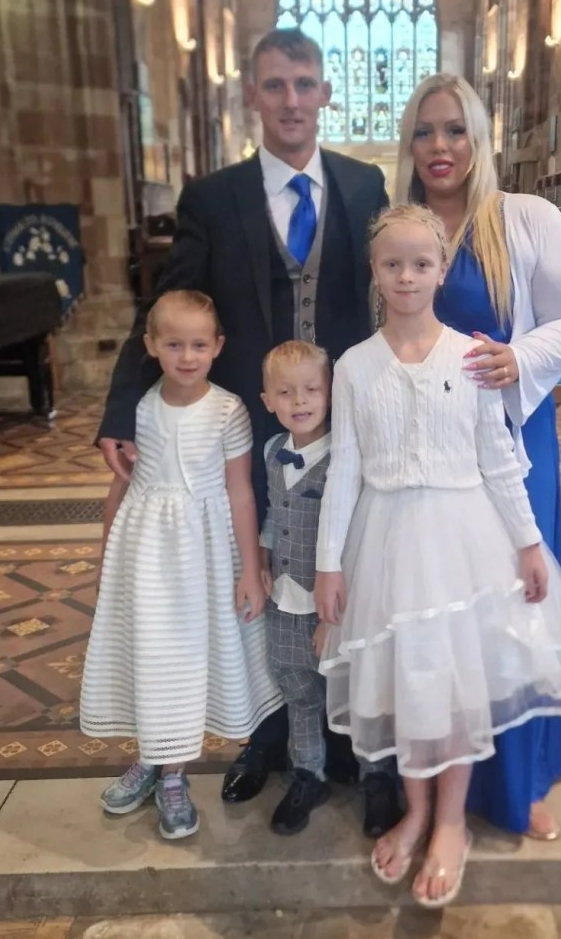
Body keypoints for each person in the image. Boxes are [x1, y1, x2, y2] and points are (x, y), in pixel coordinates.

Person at [95, 28, 398, 826]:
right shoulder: (213, 196)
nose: (291, 99)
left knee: (338, 575)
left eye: (303, 83)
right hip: (254, 434)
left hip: (344, 430)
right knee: (256, 583)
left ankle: (343, 737)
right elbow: (164, 307)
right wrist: (121, 408)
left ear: (324, 91)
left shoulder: (365, 185)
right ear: (252, 96)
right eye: (274, 85)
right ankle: (267, 733)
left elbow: (390, 296)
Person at [314, 204, 561, 907]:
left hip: (463, 541)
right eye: (391, 263)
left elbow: (500, 461)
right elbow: (343, 469)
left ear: (441, 270)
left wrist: (529, 543)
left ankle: (448, 823)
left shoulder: (470, 356)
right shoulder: (351, 366)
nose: (406, 275)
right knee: (410, 687)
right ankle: (413, 809)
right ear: (373, 273)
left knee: (458, 687)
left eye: (420, 262)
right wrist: (328, 563)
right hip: (384, 543)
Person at [394, 73, 561, 839]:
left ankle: (521, 779)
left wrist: (519, 356)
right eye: (424, 132)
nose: (440, 147)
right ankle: (428, 787)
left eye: (454, 131)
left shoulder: (522, 217)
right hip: (425, 458)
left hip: (512, 442)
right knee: (434, 604)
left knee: (515, 601)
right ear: (408, 145)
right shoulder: (399, 227)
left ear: (480, 139)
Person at [79, 290, 283, 840]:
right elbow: (116, 493)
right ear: (151, 346)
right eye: (174, 344)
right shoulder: (139, 409)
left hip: (205, 559)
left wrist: (248, 567)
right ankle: (148, 760)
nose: (187, 356)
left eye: (198, 344)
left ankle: (174, 774)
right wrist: (105, 563)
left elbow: (241, 492)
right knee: (149, 656)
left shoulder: (227, 409)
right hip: (145, 557)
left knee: (187, 662)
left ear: (217, 346)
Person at [258, 340, 335, 835]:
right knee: (297, 690)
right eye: (286, 392)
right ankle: (308, 773)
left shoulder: (346, 457)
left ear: (330, 394)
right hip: (284, 598)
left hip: (334, 603)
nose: (300, 401)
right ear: (268, 400)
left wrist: (333, 617)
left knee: (351, 689)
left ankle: (376, 777)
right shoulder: (271, 450)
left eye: (311, 390)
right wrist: (262, 556)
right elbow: (272, 509)